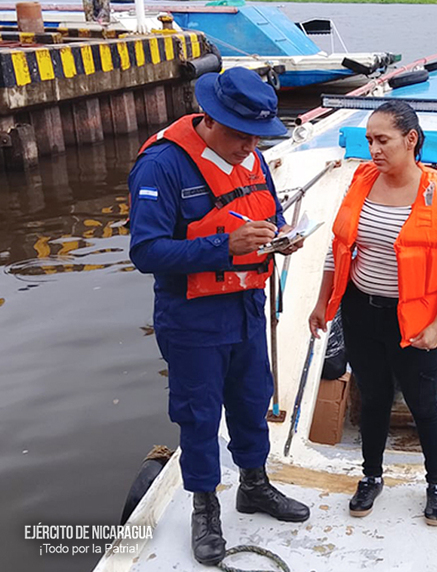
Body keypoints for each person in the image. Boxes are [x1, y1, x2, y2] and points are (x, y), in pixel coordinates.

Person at [128, 67, 310, 566]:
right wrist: (222, 246)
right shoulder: (161, 166)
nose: (249, 145)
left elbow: (267, 212)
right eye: (238, 133)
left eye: (257, 135)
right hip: (192, 316)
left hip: (247, 306)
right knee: (199, 415)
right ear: (208, 117)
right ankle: (204, 508)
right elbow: (146, 251)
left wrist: (282, 236)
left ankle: (254, 485)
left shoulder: (252, 158)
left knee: (253, 401)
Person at [308, 101, 437, 526]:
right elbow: (339, 248)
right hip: (361, 310)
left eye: (383, 140)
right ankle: (371, 475)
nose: (374, 149)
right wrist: (322, 303)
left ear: (411, 140)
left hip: (415, 317)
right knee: (374, 396)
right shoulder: (362, 180)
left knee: (422, 401)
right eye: (369, 140)